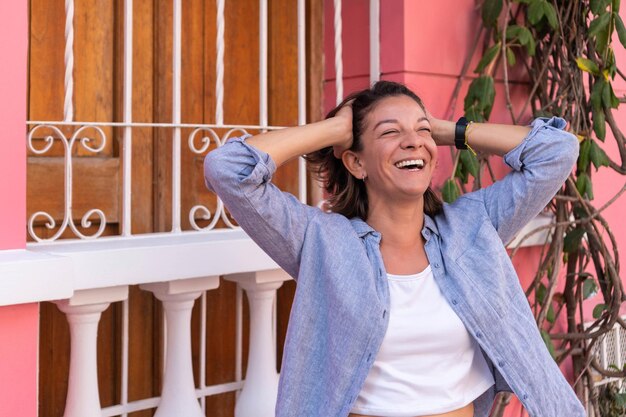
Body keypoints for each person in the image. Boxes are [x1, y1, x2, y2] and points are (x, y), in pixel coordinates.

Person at [203, 81, 586, 417]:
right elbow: (228, 170)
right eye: (390, 133)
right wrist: (336, 129)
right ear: (355, 162)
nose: (414, 141)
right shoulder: (321, 241)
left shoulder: (473, 226)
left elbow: (556, 152)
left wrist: (445, 129)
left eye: (422, 131)